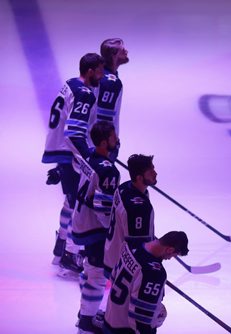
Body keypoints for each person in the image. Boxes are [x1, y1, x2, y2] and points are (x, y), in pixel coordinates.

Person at [60, 38, 129, 277]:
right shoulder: (110, 81)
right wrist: (106, 148)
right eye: (122, 50)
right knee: (86, 200)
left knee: (75, 196)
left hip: (91, 145)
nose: (126, 52)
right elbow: (104, 117)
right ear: (113, 56)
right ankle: (72, 250)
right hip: (95, 146)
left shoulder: (104, 79)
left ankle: (64, 246)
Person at [42, 53, 105, 266]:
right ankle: (69, 253)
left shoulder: (70, 83)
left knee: (70, 200)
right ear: (89, 71)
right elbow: (75, 132)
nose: (102, 75)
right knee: (79, 203)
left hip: (61, 150)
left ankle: (62, 244)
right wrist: (89, 157)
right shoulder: (85, 94)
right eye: (99, 70)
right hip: (71, 153)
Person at [70, 121, 120, 333]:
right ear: (103, 142)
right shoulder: (109, 171)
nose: (116, 139)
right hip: (95, 228)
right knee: (98, 274)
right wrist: (115, 232)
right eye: (112, 136)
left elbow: (75, 165)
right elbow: (104, 209)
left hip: (81, 221)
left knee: (90, 269)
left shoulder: (90, 156)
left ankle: (84, 313)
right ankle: (87, 322)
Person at [104, 231, 189, 333]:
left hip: (109, 319)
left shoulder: (131, 246)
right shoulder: (154, 273)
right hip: (123, 329)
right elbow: (140, 317)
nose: (170, 258)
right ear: (170, 249)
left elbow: (113, 277)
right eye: (174, 255)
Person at [103, 154, 157, 278]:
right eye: (150, 171)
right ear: (139, 177)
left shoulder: (124, 188)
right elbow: (137, 247)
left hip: (111, 253)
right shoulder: (139, 208)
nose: (155, 173)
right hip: (123, 267)